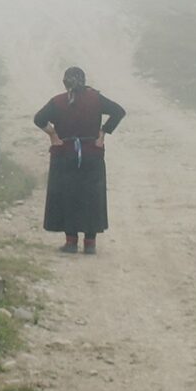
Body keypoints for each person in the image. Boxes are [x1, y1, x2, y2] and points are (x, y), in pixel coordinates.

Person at [32, 67, 125, 254]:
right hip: (92, 154)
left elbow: (38, 119)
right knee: (92, 197)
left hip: (64, 155)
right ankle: (90, 244)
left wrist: (53, 135)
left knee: (68, 197)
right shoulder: (95, 99)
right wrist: (102, 133)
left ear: (65, 82)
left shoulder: (58, 101)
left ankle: (71, 242)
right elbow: (118, 111)